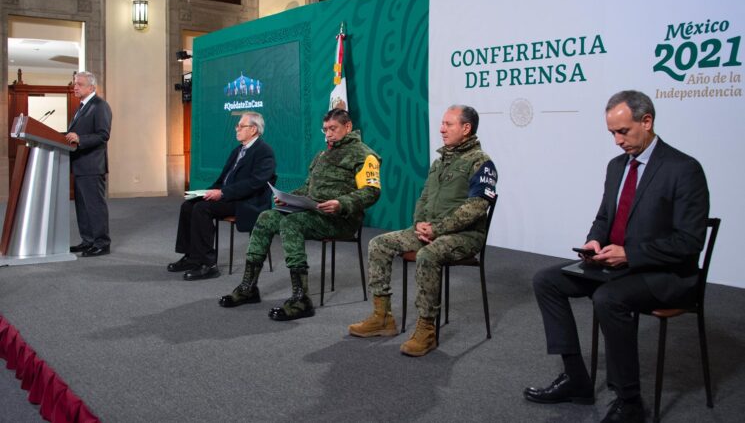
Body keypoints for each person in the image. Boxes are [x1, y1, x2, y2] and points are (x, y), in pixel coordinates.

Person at [524, 90, 709, 423]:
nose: (617, 140)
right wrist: (594, 242)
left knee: (608, 299)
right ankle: (576, 380)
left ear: (647, 121)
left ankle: (630, 402)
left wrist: (631, 254)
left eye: (623, 131)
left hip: (668, 274)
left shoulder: (684, 169)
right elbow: (604, 218)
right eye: (612, 132)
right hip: (618, 266)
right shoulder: (616, 166)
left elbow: (690, 241)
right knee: (546, 281)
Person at [348, 105, 497, 357]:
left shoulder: (482, 163)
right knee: (378, 244)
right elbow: (424, 198)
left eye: (448, 124)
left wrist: (437, 229)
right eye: (442, 123)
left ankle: (427, 329)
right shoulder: (439, 162)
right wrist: (419, 224)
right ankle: (382, 316)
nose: (442, 129)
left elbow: (476, 208)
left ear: (466, 128)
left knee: (428, 255)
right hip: (429, 230)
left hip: (465, 236)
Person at [218, 108, 382, 321]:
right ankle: (249, 287)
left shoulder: (365, 155)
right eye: (325, 130)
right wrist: (286, 198)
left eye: (333, 129)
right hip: (314, 213)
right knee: (266, 217)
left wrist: (341, 203)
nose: (328, 134)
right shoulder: (323, 155)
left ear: (348, 126)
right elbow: (307, 188)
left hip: (341, 219)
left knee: (291, 224)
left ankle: (301, 298)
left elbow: (372, 191)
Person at [168, 112, 276, 281]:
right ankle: (191, 257)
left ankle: (208, 264)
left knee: (202, 209)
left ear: (253, 129)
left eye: (241, 126)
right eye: (237, 126)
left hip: (247, 201)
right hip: (230, 196)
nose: (237, 129)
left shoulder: (264, 152)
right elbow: (223, 180)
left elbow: (255, 183)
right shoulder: (238, 150)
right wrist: (203, 193)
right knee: (189, 205)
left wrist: (223, 193)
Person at [65, 71, 113, 257]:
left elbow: (103, 135)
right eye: (75, 84)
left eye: (79, 84)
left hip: (92, 166)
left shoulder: (100, 106)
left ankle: (102, 243)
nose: (75, 87)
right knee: (82, 207)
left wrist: (80, 139)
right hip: (79, 166)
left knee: (94, 206)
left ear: (91, 87)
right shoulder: (82, 107)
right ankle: (88, 241)